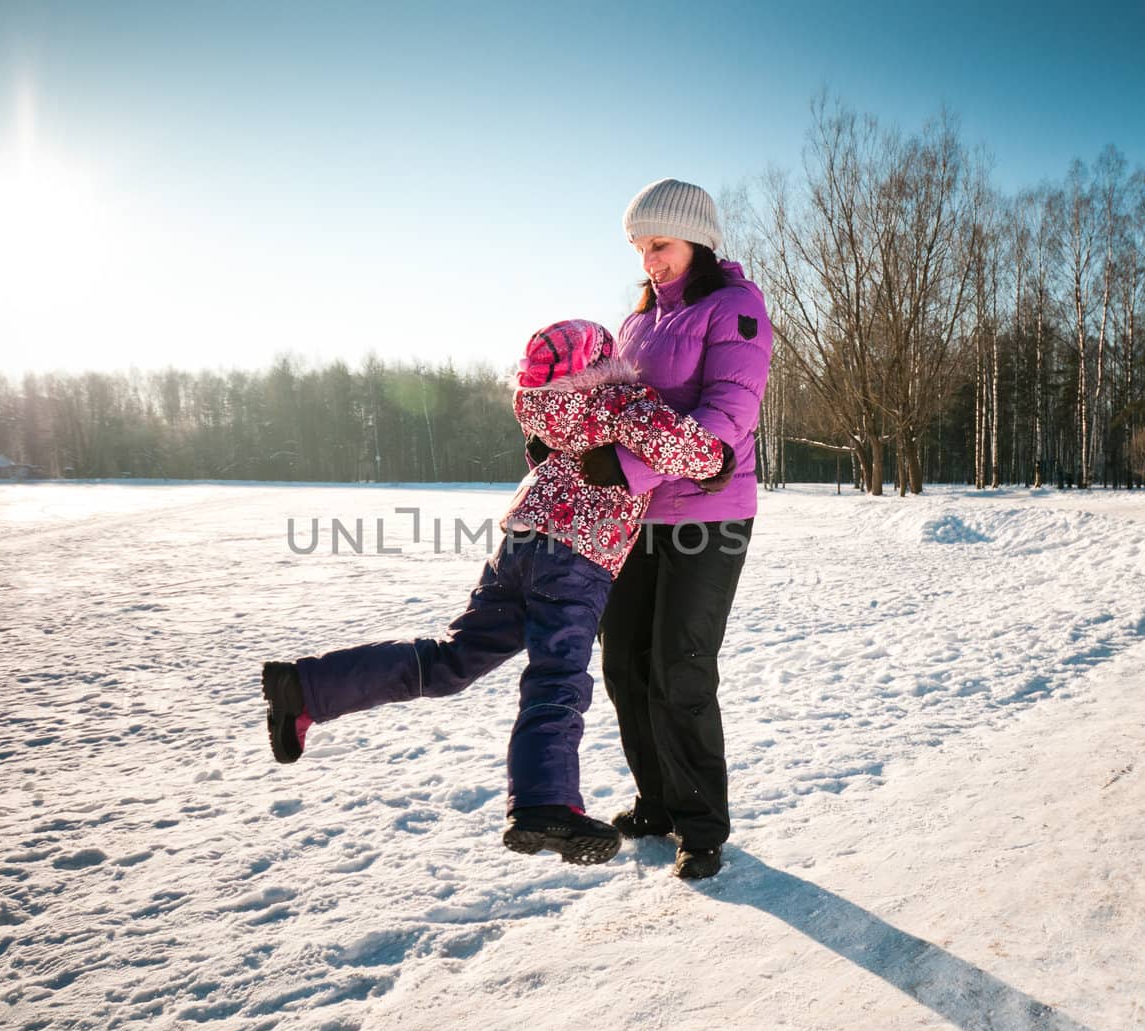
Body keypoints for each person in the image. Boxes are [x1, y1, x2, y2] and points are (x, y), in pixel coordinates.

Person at [261, 320, 727, 866]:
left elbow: (547, 464)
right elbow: (684, 448)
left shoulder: (542, 409)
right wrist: (718, 461)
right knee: (557, 675)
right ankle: (545, 800)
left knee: (451, 658)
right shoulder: (618, 400)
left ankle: (308, 689)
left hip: (519, 544)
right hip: (575, 558)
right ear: (606, 362)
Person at [584, 178, 772, 880]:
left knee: (678, 668)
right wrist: (564, 439)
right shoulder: (637, 323)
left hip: (710, 514)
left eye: (658, 244)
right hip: (642, 517)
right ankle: (657, 800)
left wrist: (623, 470)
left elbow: (726, 418)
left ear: (699, 239)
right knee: (623, 661)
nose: (649, 261)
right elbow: (606, 406)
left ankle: (700, 825)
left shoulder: (736, 308)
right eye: (639, 248)